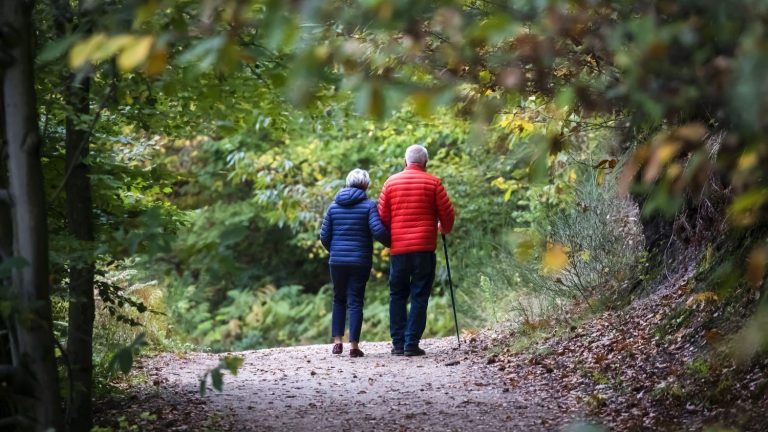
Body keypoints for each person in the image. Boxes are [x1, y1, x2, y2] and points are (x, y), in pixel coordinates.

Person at [378, 145, 455, 357]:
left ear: (405, 161)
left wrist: (392, 237)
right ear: (426, 162)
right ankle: (411, 342)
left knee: (397, 295)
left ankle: (398, 343)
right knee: (420, 295)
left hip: (399, 250)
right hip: (424, 248)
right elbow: (447, 214)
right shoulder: (433, 183)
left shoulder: (390, 183)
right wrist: (443, 229)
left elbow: (382, 218)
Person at [320, 169, 390, 358]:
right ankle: (354, 346)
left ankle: (337, 342)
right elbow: (378, 231)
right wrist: (393, 242)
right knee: (355, 301)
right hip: (360, 261)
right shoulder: (369, 206)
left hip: (337, 261)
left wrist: (334, 251)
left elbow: (324, 236)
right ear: (366, 185)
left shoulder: (333, 207)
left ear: (347, 183)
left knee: (338, 298)